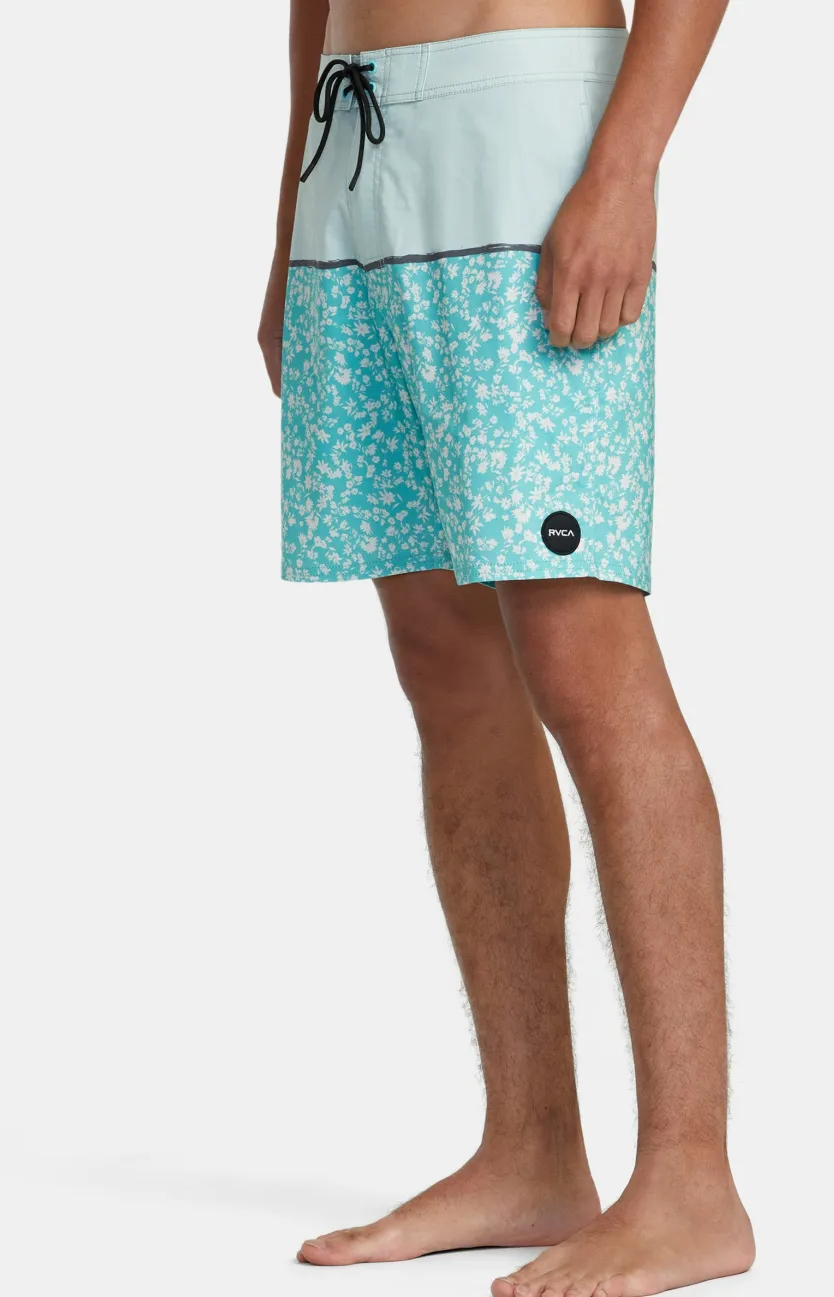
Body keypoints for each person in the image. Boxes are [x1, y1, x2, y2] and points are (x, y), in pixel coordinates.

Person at [258, 0, 754, 1291]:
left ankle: (692, 1183)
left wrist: (626, 167)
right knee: (443, 658)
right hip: (353, 161)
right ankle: (530, 1148)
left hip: (531, 133)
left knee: (582, 646)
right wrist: (288, 223)